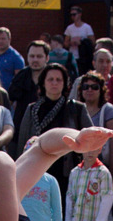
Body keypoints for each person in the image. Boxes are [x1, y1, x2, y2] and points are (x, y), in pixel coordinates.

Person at [16, 64, 88, 193]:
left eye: (58, 80)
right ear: (43, 82)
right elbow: (23, 140)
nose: (54, 83)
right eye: (50, 79)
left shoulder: (76, 109)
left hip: (66, 169)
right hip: (37, 167)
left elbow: (88, 137)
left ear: (65, 83)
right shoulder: (32, 109)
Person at [75, 70, 113, 171]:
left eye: (94, 87)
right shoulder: (76, 109)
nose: (89, 90)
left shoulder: (108, 109)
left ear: (101, 90)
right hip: (80, 166)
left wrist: (112, 168)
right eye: (85, 87)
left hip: (103, 166)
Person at [10, 41, 50, 140]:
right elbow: (11, 100)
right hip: (21, 129)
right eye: (32, 56)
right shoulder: (20, 76)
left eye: (39, 56)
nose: (35, 60)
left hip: (47, 130)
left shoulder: (53, 76)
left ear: (47, 58)